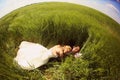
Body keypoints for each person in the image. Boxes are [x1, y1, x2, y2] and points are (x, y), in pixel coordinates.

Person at [14, 41, 81, 70]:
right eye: (69, 49)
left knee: (34, 54)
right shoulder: (60, 50)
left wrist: (73, 53)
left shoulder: (60, 47)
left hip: (46, 52)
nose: (69, 49)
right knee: (34, 59)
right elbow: (62, 55)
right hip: (46, 55)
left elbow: (67, 52)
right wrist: (64, 57)